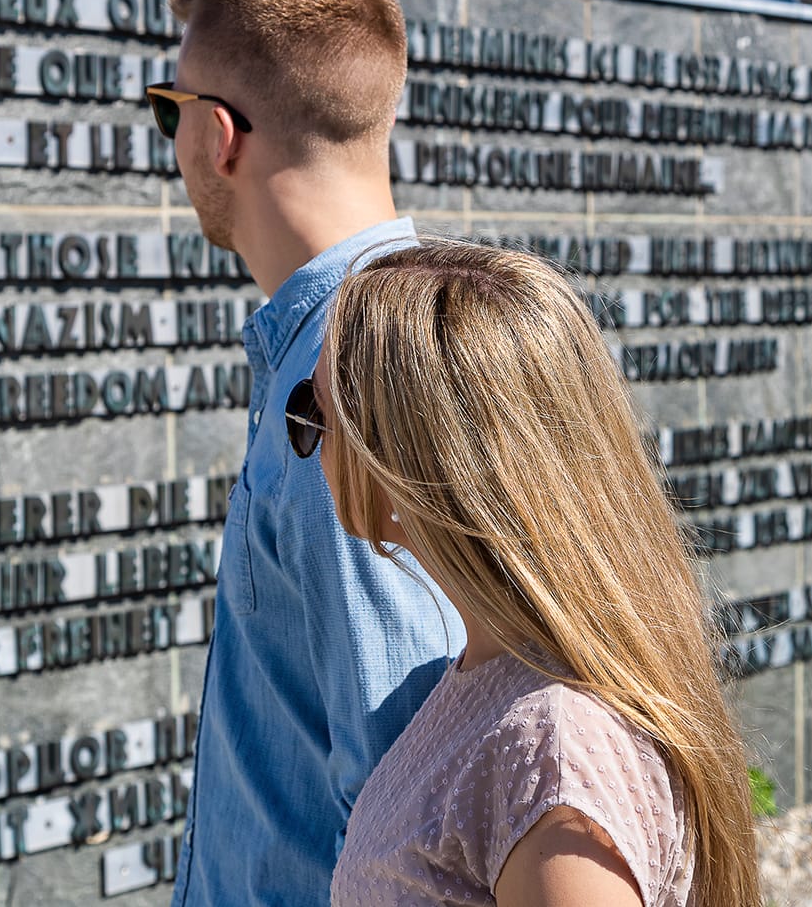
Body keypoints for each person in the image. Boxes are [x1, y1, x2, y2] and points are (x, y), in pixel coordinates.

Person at [298, 240, 763, 906]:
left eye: (317, 414)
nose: (310, 445)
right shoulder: (501, 686)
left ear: (400, 455)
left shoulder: (553, 750)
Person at [145, 0, 464, 907]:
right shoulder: (394, 335)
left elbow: (414, 821)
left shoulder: (347, 375)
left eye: (168, 109)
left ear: (218, 134)